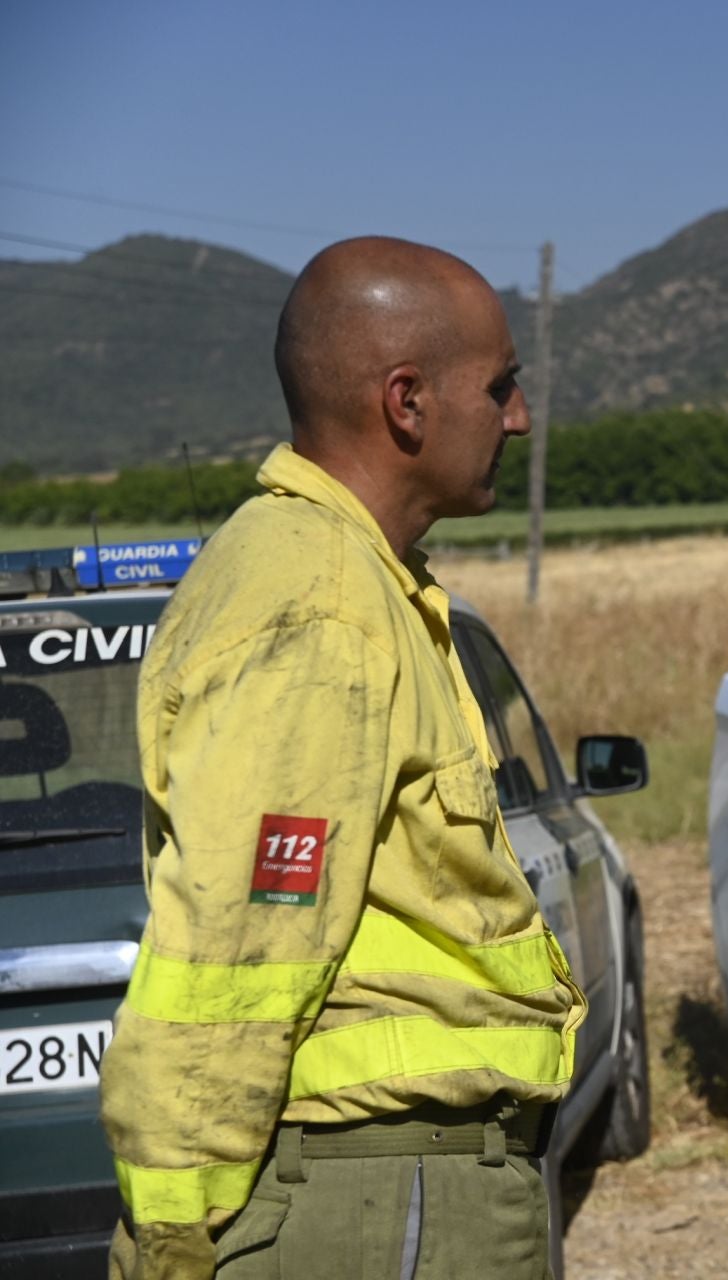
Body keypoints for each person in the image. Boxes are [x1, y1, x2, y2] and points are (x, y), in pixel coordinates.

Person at [98, 237, 584, 1280]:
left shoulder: (357, 582)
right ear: (406, 401)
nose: (519, 418)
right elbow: (241, 939)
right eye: (499, 386)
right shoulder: (318, 606)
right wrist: (173, 1238)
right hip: (380, 1198)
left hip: (396, 1187)